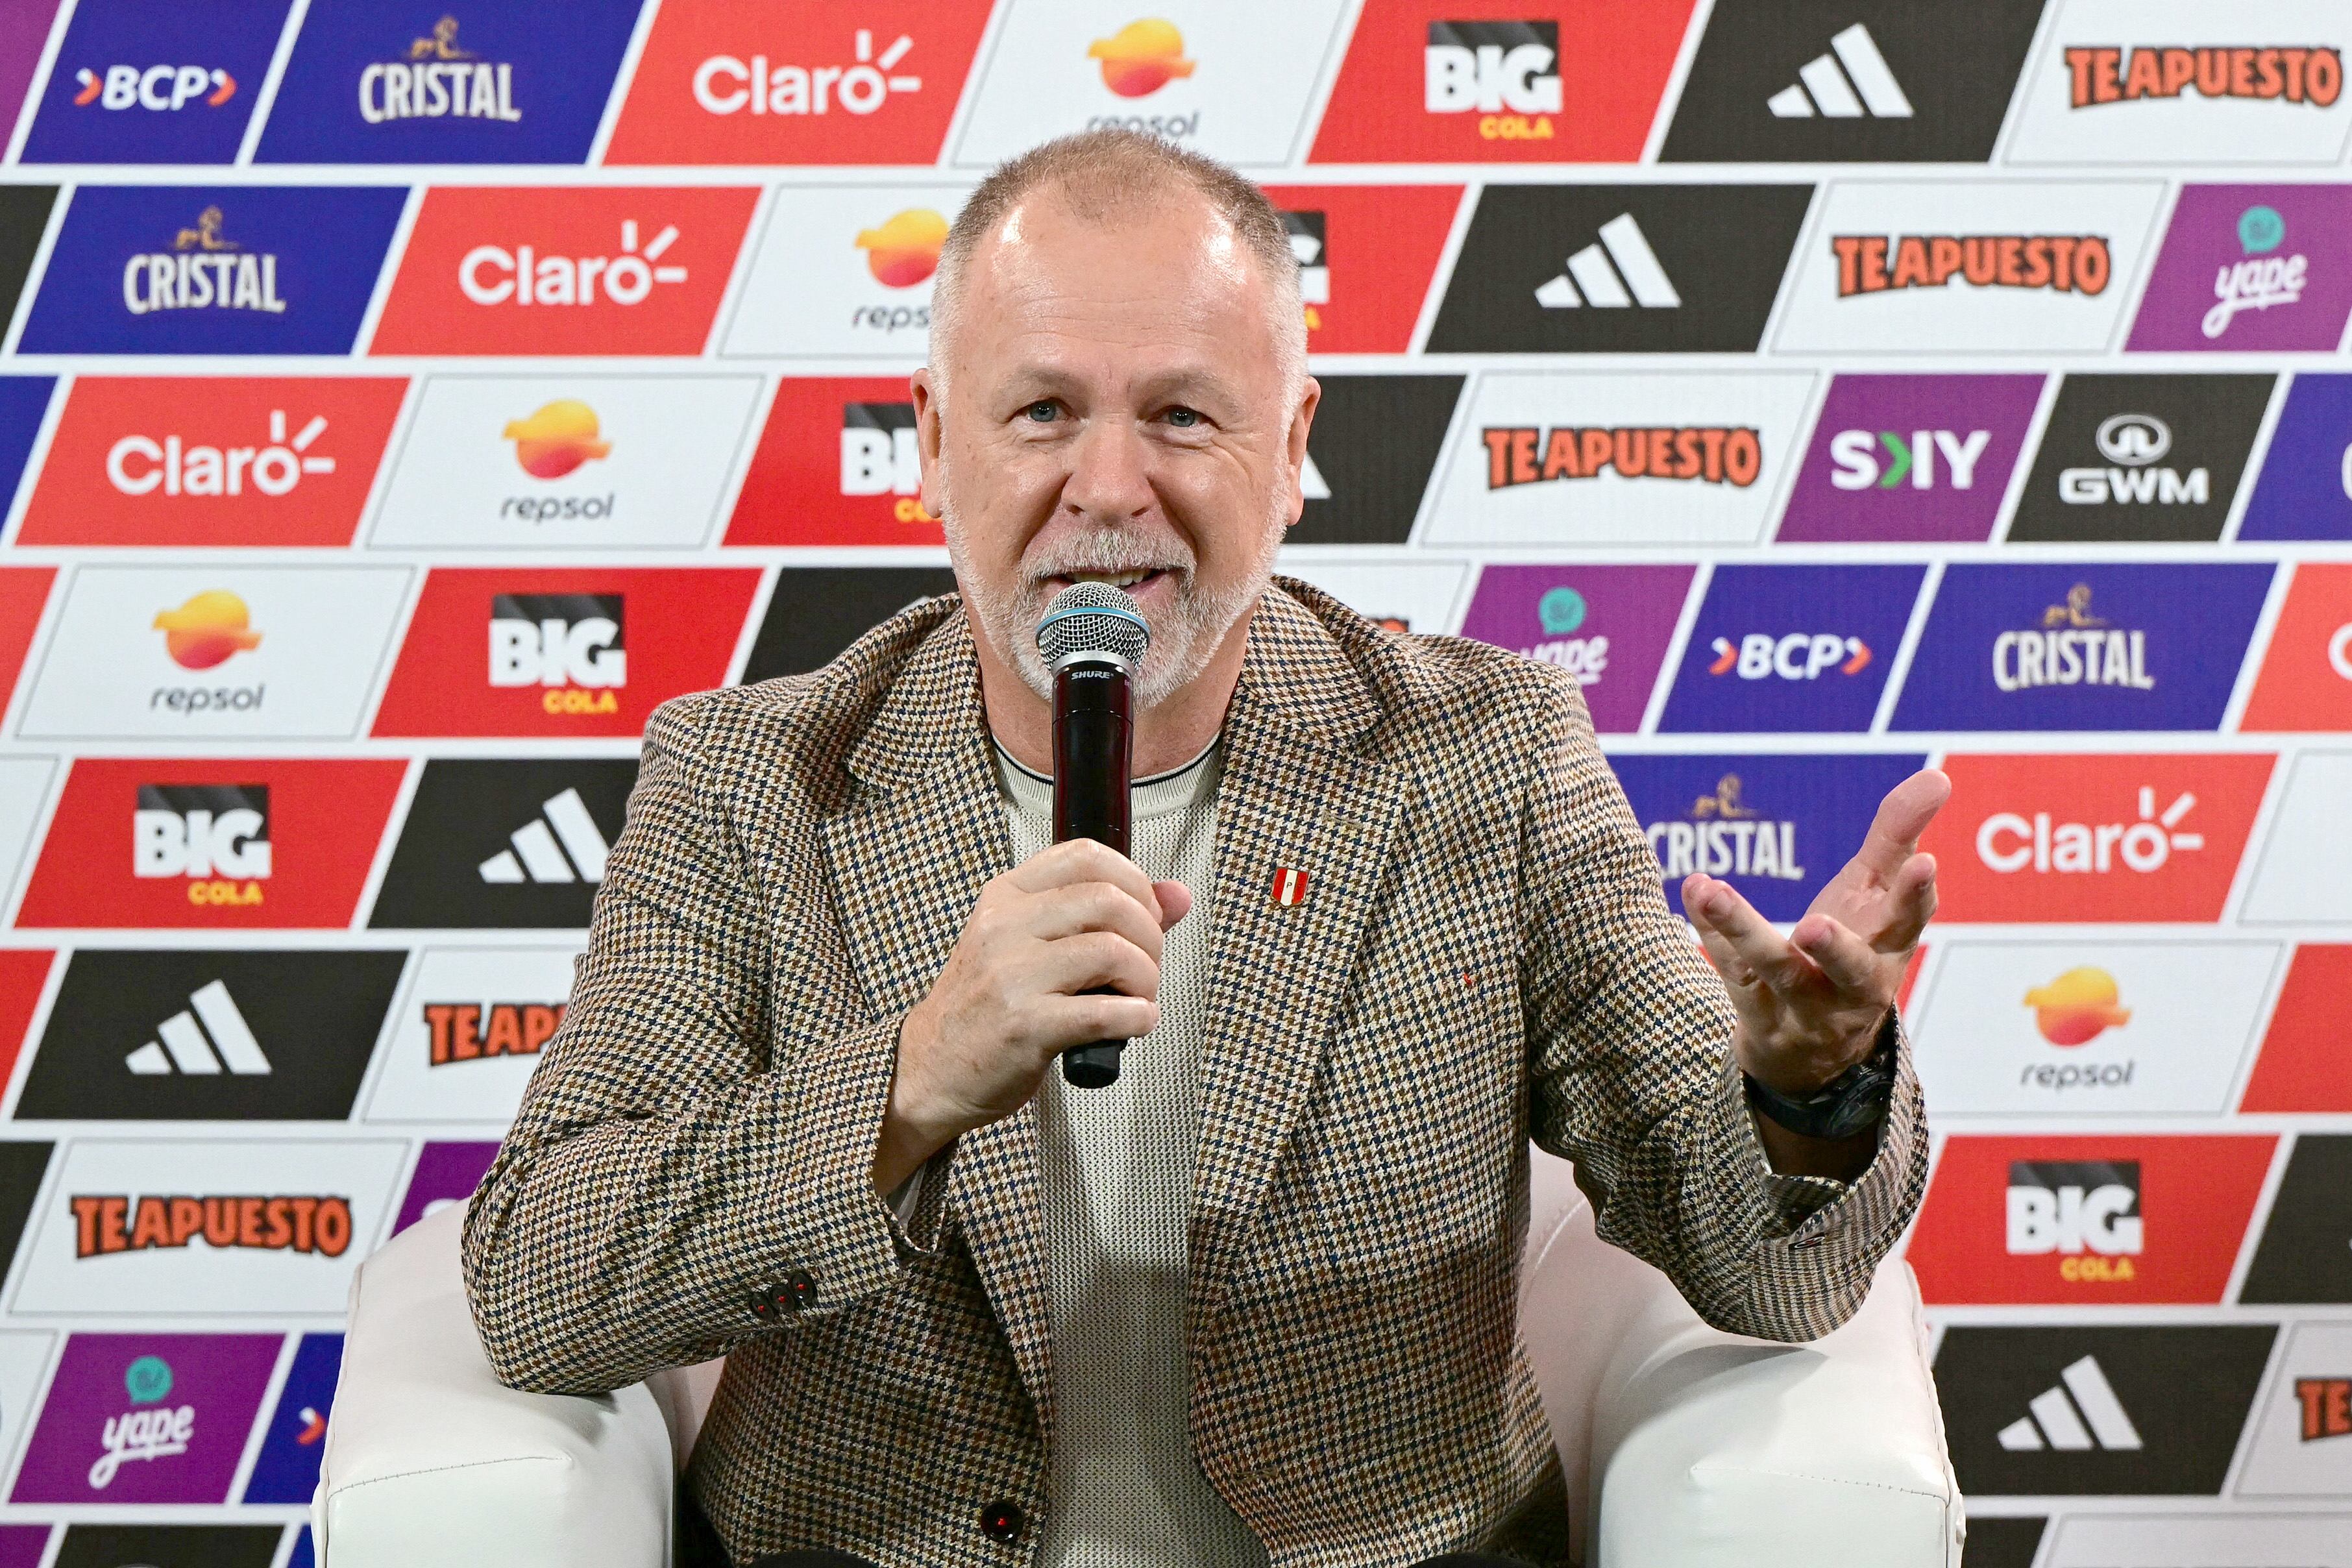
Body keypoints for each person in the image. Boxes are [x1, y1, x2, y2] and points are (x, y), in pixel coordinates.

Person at [461, 129, 1944, 1568]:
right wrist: (910, 1082)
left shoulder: (1487, 755)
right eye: (1042, 412)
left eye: (1182, 414)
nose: (1111, 487)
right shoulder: (749, 777)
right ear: (930, 442)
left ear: (1291, 447)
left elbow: (1766, 1262)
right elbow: (542, 1277)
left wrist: (1807, 1091)